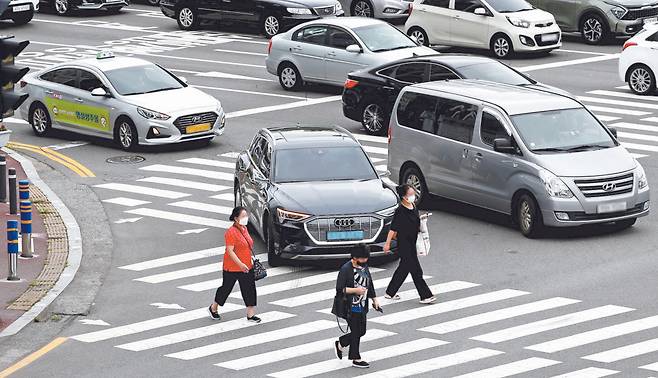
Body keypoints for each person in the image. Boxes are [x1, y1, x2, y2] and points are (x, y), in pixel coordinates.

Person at [383, 184, 436, 304]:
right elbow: (393, 229)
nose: (413, 196)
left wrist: (422, 220)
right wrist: (387, 244)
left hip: (413, 242)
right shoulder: (400, 211)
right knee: (416, 270)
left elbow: (414, 222)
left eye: (413, 193)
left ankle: (390, 292)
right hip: (404, 244)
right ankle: (426, 295)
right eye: (411, 194)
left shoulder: (413, 206)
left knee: (403, 269)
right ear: (404, 197)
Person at [209, 206, 261, 323]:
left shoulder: (245, 229)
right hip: (231, 267)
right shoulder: (231, 232)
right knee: (226, 289)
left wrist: (248, 261)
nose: (246, 218)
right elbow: (230, 251)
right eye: (243, 216)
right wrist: (240, 264)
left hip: (247, 266)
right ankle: (214, 307)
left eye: (246, 216)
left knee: (249, 289)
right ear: (236, 218)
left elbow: (248, 245)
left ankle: (250, 314)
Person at [333, 245, 381, 369]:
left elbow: (370, 283)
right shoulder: (346, 269)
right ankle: (356, 358)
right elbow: (340, 289)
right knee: (356, 332)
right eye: (363, 258)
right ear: (354, 258)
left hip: (362, 305)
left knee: (361, 331)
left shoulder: (364, 266)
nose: (365, 261)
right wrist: (356, 290)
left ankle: (342, 342)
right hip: (350, 306)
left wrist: (374, 299)